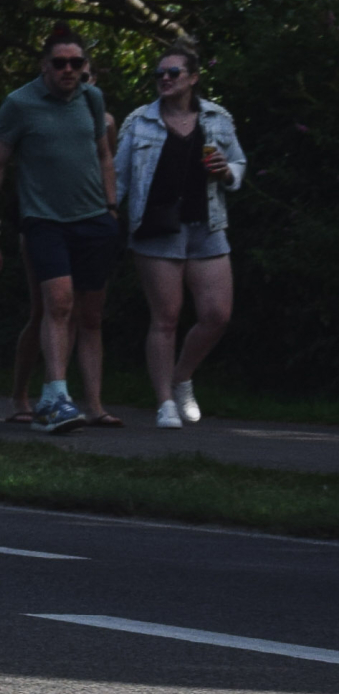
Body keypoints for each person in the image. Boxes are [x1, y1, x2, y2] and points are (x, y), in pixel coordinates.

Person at [0, 27, 118, 435]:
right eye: (60, 63)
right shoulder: (19, 104)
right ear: (44, 66)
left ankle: (94, 405)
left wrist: (111, 207)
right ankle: (53, 398)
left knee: (90, 314)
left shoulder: (92, 100)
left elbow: (104, 154)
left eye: (76, 62)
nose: (68, 70)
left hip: (93, 218)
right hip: (43, 219)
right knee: (57, 303)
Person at [116, 43, 247, 429]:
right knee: (166, 318)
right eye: (160, 74)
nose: (165, 79)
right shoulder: (139, 122)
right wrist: (105, 215)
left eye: (173, 73)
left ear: (192, 77)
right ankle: (164, 403)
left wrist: (226, 172)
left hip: (207, 226)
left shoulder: (217, 117)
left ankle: (181, 378)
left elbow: (237, 163)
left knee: (217, 314)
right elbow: (119, 178)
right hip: (157, 229)